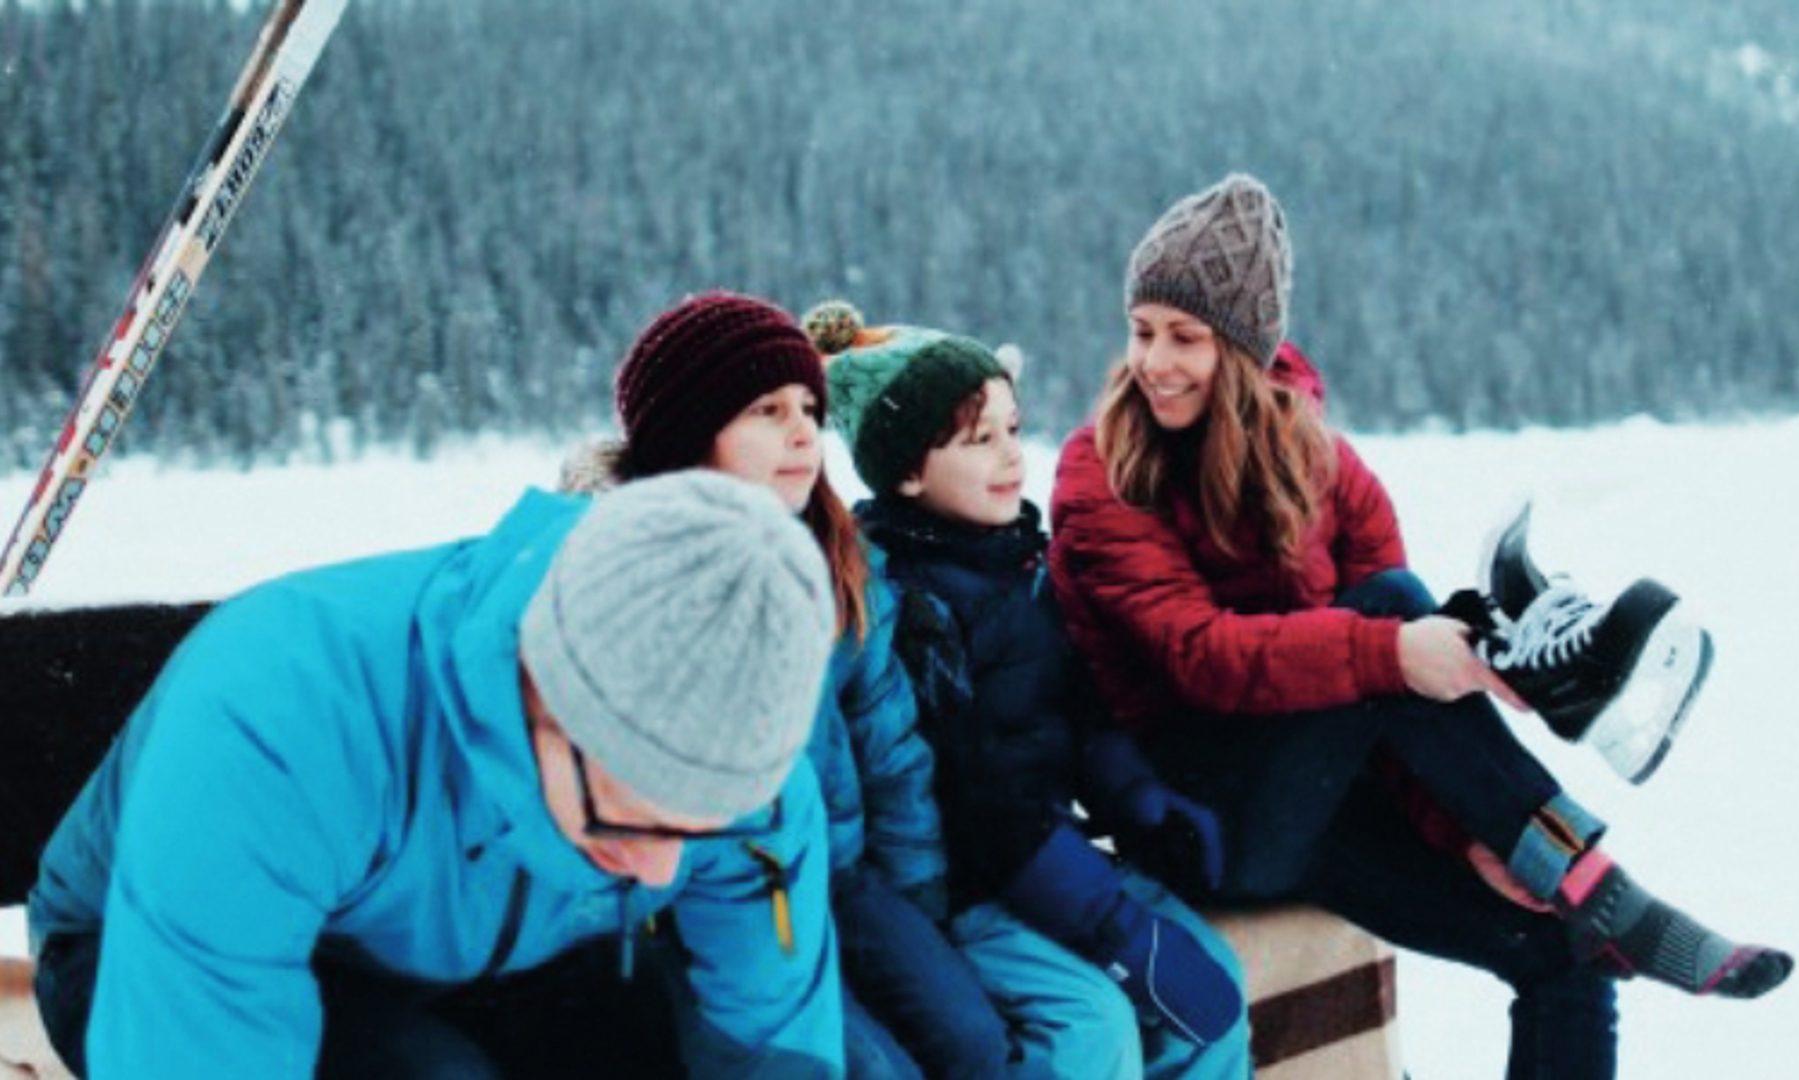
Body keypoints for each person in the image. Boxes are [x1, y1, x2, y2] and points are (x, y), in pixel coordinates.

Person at [1046, 173, 1794, 1079]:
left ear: (1246, 348)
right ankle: (1569, 781)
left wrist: (1463, 832)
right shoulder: (1101, 471)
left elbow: (1402, 710)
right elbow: (1203, 658)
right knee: (1396, 609)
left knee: (1566, 955)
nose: (1154, 361)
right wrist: (1396, 648)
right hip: (1201, 814)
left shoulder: (1327, 469)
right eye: (1143, 331)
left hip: (1327, 805)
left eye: (1185, 337)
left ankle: (1567, 863)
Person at [28, 469, 846, 1078]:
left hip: (477, 938)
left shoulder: (738, 773)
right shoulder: (281, 716)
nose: (667, 868)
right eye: (632, 818)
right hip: (153, 953)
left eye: (704, 826)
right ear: (541, 696)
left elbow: (773, 1040)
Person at [567, 291, 1011, 1079]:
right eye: (766, 411)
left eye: (808, 404)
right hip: (710, 907)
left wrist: (919, 904)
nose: (804, 430)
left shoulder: (834, 557)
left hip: (840, 875)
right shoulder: (621, 577)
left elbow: (887, 745)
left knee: (973, 1039)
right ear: (687, 435)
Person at [810, 299, 1251, 1079]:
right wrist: (1112, 925)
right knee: (1092, 1029)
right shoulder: (911, 610)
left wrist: (1140, 797)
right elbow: (978, 797)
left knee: (1217, 987)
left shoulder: (1020, 565)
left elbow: (1077, 709)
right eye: (981, 441)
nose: (1011, 456)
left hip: (1054, 863)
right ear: (908, 471)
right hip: (976, 889)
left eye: (1013, 429)